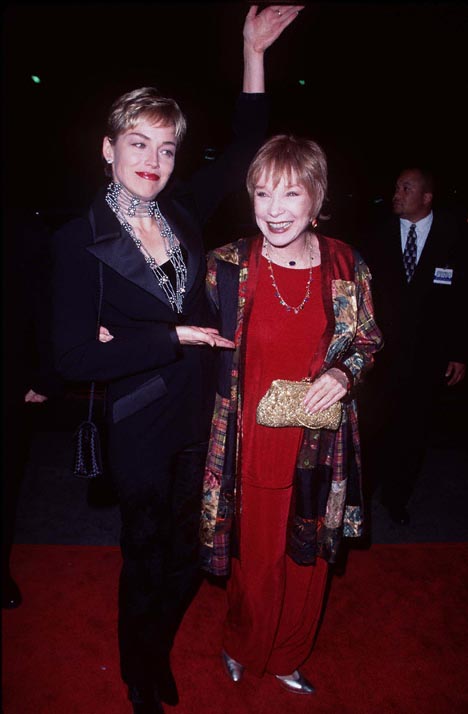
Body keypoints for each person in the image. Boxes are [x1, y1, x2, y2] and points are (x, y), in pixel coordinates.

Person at [51, 6, 303, 713]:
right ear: (108, 149)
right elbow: (69, 355)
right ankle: (141, 671)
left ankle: (156, 645)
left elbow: (245, 148)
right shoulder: (79, 240)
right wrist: (171, 337)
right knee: (147, 555)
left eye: (165, 149)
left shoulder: (182, 212)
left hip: (202, 408)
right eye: (138, 144)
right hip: (139, 421)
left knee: (196, 553)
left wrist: (252, 54)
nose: (153, 161)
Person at [200, 134, 383, 692]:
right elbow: (187, 334)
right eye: (262, 194)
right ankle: (244, 643)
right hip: (249, 443)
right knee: (255, 562)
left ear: (316, 197)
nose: (274, 210)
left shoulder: (343, 262)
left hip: (318, 446)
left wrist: (342, 372)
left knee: (309, 563)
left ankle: (287, 654)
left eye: (290, 194)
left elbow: (367, 339)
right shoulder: (227, 265)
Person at [360, 167, 466, 525]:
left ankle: (397, 497)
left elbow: (461, 299)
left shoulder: (453, 235)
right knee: (372, 427)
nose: (397, 193)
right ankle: (360, 498)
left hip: (426, 357)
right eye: (396, 186)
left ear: (427, 197)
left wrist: (459, 352)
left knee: (413, 431)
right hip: (381, 356)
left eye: (406, 187)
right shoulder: (377, 234)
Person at [2, 210, 63, 609]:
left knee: (6, 483)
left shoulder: (23, 228)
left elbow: (44, 302)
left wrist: (44, 377)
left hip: (9, 374)